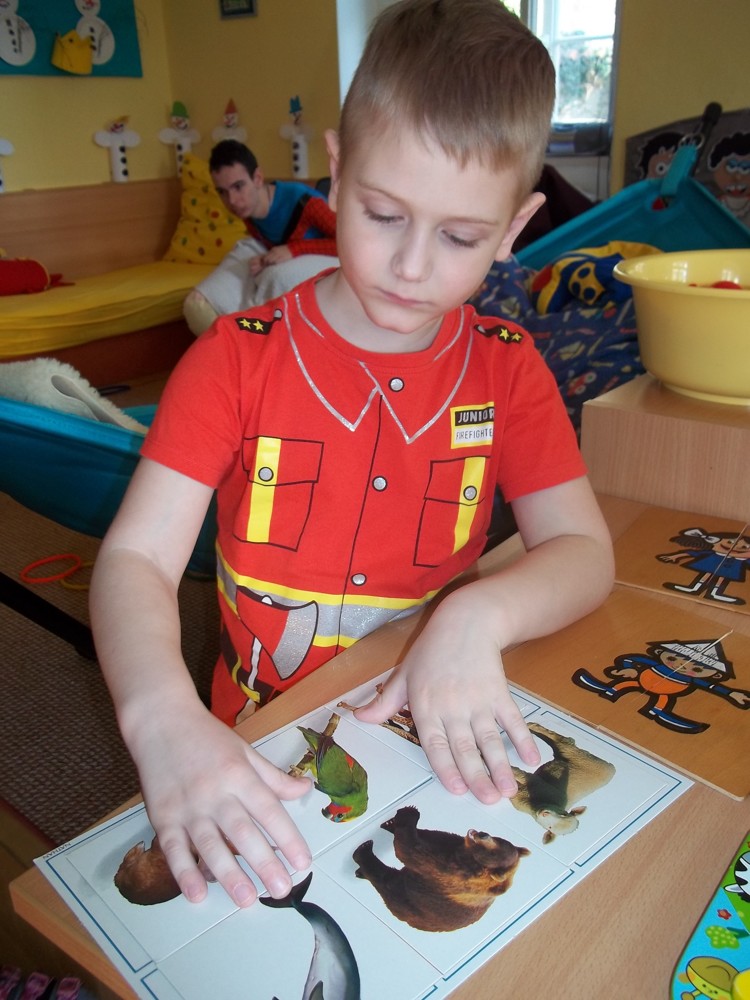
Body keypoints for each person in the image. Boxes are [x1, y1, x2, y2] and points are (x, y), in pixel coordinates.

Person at [90, 0, 614, 912]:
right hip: (252, 739)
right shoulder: (234, 359)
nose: (411, 266)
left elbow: (585, 552)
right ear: (336, 170)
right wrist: (161, 716)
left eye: (460, 237)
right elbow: (136, 558)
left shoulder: (509, 369)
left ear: (515, 225)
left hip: (424, 729)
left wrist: (476, 617)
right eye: (381, 214)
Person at [182, 139, 339, 335]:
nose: (232, 201)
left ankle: (257, 335)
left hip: (332, 259)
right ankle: (234, 337)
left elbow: (349, 245)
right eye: (222, 192)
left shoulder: (305, 202)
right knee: (197, 305)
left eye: (238, 186)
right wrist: (266, 258)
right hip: (281, 255)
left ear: (257, 178)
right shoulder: (248, 213)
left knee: (276, 278)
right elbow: (271, 243)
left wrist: (294, 250)